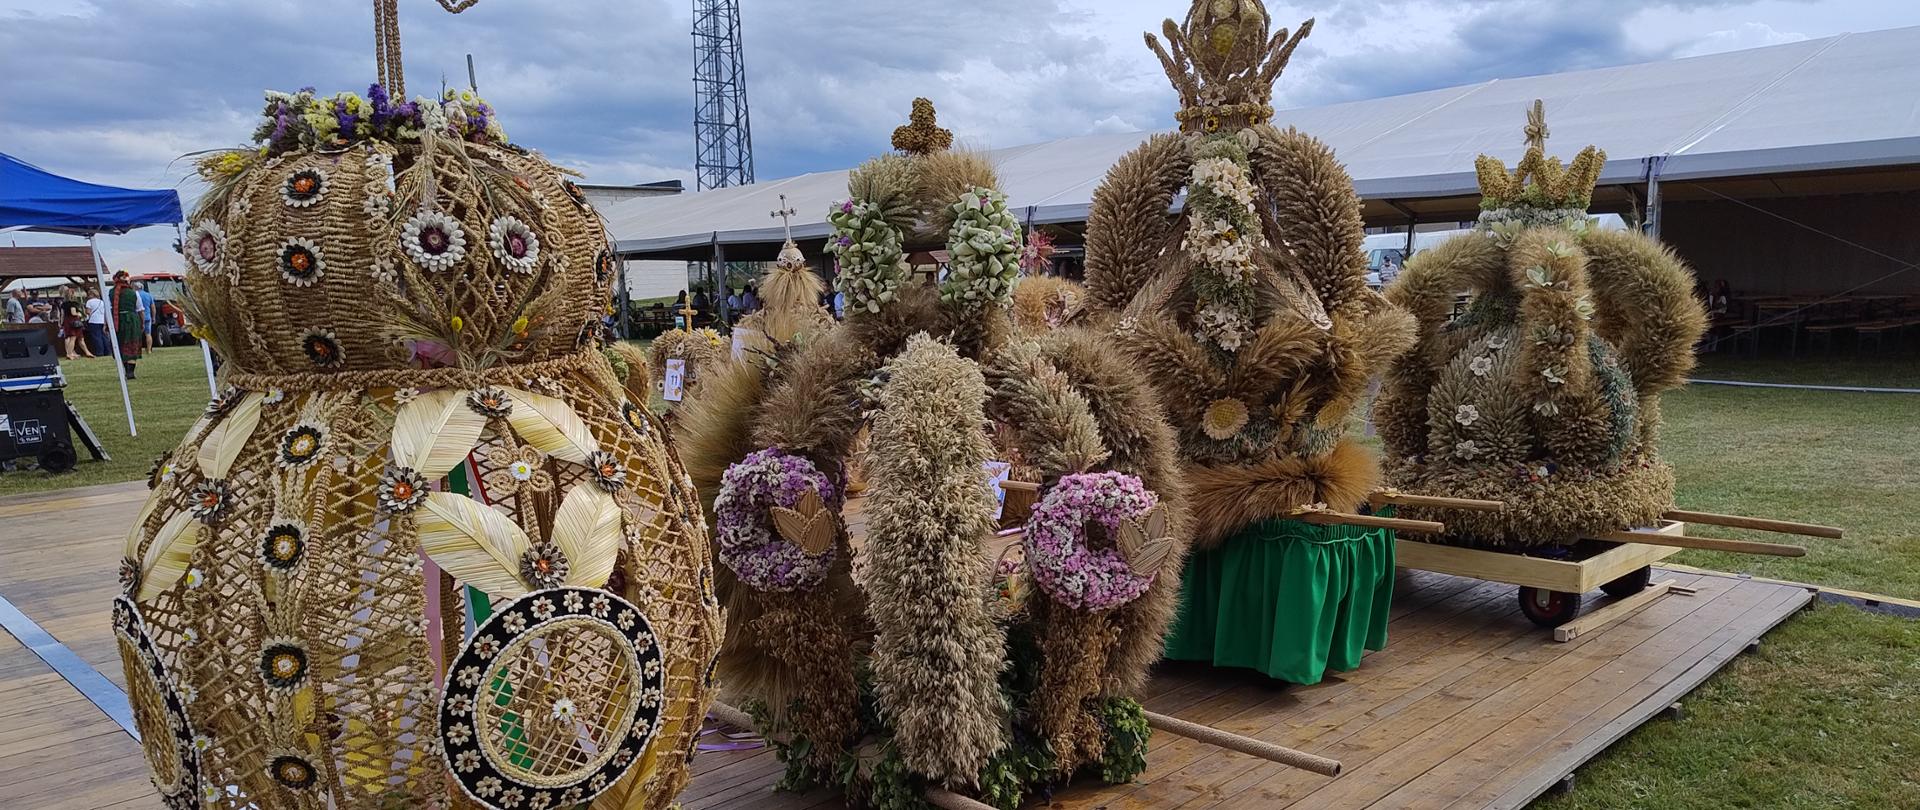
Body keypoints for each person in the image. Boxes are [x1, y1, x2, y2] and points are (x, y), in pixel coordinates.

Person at [112, 271, 144, 379]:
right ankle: (130, 372)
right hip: (131, 320)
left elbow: (108, 310)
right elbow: (140, 309)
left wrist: (106, 324)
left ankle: (126, 371)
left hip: (117, 321)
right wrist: (142, 322)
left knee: (121, 345)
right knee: (131, 344)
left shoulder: (110, 293)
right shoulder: (134, 293)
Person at [84, 286, 108, 356]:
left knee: (97, 337)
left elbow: (88, 312)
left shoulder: (89, 302)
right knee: (104, 337)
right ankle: (107, 351)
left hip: (93, 321)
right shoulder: (102, 302)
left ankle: (99, 352)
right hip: (102, 320)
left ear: (91, 295)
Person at [136, 284, 157, 349]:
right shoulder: (149, 295)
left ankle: (138, 349)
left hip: (138, 317)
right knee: (148, 334)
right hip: (147, 317)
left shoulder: (135, 295)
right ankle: (149, 349)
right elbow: (153, 308)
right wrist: (153, 317)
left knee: (137, 335)